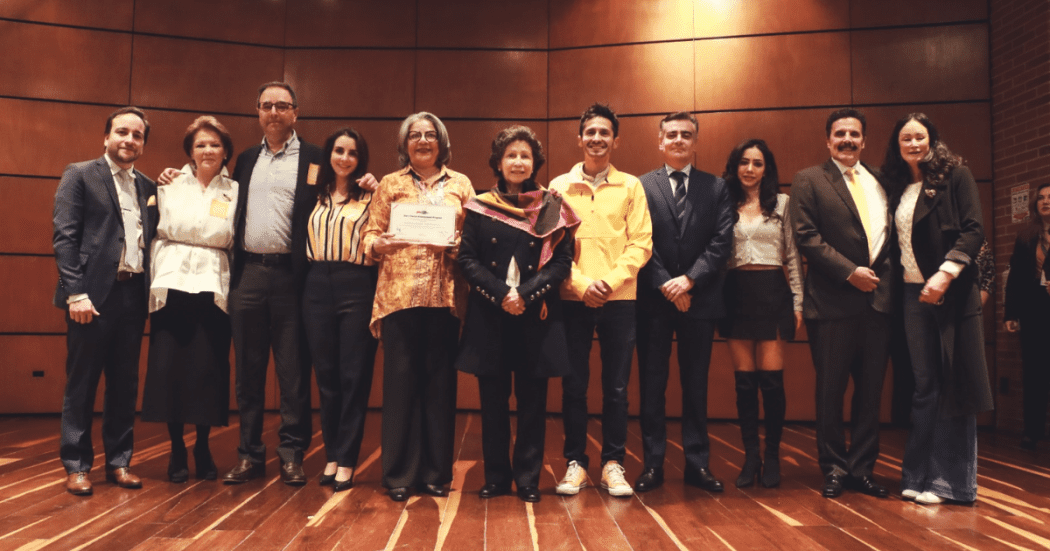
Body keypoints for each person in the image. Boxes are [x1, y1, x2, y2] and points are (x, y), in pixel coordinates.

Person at [456, 126, 579, 503]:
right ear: (498, 162)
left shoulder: (550, 205)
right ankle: (496, 477)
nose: (518, 161)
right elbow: (467, 259)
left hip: (534, 313)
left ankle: (527, 478)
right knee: (492, 403)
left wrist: (524, 294)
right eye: (511, 155)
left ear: (534, 163)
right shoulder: (479, 204)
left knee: (532, 404)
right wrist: (501, 295)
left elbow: (561, 262)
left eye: (525, 155)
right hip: (490, 313)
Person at [882, 112, 994, 504]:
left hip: (951, 292)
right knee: (924, 386)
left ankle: (950, 484)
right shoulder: (897, 187)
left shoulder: (956, 175)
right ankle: (917, 476)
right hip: (913, 296)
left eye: (920, 137)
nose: (913, 144)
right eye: (906, 138)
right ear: (897, 145)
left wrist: (945, 274)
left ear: (932, 139)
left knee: (953, 384)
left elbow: (974, 230)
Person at [362, 112, 474, 502]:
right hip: (399, 298)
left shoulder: (461, 184)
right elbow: (369, 235)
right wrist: (380, 244)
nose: (423, 141)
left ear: (441, 142)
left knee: (439, 388)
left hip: (444, 297)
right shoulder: (390, 184)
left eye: (430, 135)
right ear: (404, 144)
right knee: (399, 388)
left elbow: (472, 240)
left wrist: (457, 246)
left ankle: (434, 474)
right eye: (415, 135)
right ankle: (397, 475)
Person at [550, 103, 653, 498]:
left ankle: (613, 463)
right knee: (574, 386)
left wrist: (607, 283)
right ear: (580, 138)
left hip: (620, 298)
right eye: (590, 132)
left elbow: (640, 243)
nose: (597, 138)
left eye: (604, 132)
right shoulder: (558, 186)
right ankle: (575, 463)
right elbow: (551, 245)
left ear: (615, 140)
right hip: (572, 298)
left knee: (617, 388)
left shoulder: (631, 186)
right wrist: (581, 285)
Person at [790, 108, 894, 499]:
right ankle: (833, 468)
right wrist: (850, 272)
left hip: (878, 305)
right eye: (840, 133)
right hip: (832, 303)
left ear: (864, 140)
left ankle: (862, 469)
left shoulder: (882, 180)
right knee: (830, 394)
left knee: (870, 395)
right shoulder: (809, 179)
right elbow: (806, 236)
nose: (847, 139)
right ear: (828, 140)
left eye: (854, 134)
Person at [53, 106, 157, 495]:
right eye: (122, 132)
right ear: (106, 137)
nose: (129, 140)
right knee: (82, 383)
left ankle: (119, 461)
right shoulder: (80, 174)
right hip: (91, 297)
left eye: (137, 135)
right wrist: (75, 293)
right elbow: (65, 237)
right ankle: (76, 465)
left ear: (143, 143)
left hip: (133, 294)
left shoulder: (148, 186)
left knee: (124, 384)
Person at [635, 112, 733, 494]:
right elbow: (638, 239)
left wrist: (689, 280)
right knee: (652, 385)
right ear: (660, 141)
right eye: (672, 134)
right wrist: (666, 283)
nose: (679, 140)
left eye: (686, 135)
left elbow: (722, 241)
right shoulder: (641, 185)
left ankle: (697, 464)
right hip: (654, 301)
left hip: (700, 300)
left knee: (696, 385)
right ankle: (652, 464)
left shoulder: (716, 187)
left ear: (696, 142)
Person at [141, 116, 238, 483]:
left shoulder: (234, 190)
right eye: (200, 145)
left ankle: (202, 446)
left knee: (207, 369)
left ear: (225, 151)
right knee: (171, 369)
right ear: (190, 152)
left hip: (213, 286)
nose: (207, 150)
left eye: (214, 144)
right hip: (172, 283)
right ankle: (177, 448)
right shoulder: (168, 185)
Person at [718, 138, 802, 489]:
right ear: (735, 166)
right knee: (744, 384)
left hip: (772, 293)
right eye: (744, 162)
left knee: (771, 383)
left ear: (767, 169)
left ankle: (772, 457)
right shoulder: (723, 202)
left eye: (757, 163)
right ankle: (750, 456)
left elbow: (793, 255)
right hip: (735, 293)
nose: (749, 169)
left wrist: (798, 301)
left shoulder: (782, 203)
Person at [301, 128, 378, 491]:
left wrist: (378, 188)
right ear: (328, 154)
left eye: (352, 152)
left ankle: (347, 458)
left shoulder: (372, 196)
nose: (344, 158)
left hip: (356, 284)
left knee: (353, 376)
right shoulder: (314, 194)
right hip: (316, 283)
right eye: (338, 150)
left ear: (360, 159)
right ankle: (331, 454)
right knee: (326, 377)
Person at [1004, 182, 1050, 451]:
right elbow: (1015, 277)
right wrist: (1011, 313)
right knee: (1034, 372)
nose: (1046, 201)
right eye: (1041, 197)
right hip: (1034, 310)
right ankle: (1032, 432)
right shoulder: (1026, 236)